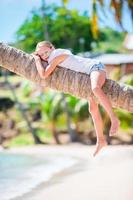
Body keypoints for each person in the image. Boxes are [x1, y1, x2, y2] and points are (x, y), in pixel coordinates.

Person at [32, 41, 120, 157]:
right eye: (41, 54)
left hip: (95, 67)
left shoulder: (57, 55)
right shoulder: (52, 59)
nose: (44, 55)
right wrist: (39, 58)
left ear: (52, 48)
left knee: (95, 88)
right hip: (88, 75)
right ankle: (101, 140)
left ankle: (114, 119)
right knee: (93, 109)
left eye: (46, 52)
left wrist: (37, 60)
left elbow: (43, 75)